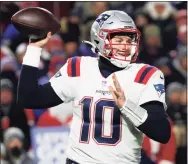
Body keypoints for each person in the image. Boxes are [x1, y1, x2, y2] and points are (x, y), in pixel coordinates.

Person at [17, 10, 170, 164]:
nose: (125, 45)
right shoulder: (78, 67)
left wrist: (126, 106)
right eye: (118, 39)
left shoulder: (146, 75)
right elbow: (29, 98)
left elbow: (162, 133)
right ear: (100, 39)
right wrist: (34, 49)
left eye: (129, 39)